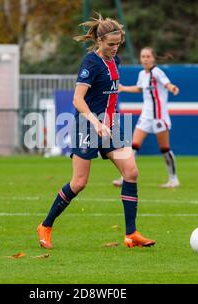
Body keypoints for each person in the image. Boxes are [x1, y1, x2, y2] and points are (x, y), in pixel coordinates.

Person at [36, 14, 155, 249]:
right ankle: (46, 225)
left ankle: (131, 234)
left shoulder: (115, 60)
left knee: (131, 172)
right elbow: (78, 99)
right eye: (110, 44)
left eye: (118, 43)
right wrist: (95, 121)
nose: (114, 48)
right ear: (99, 41)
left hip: (112, 125)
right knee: (79, 182)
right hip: (87, 125)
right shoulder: (90, 63)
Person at [112, 47, 180, 188]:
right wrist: (124, 88)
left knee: (165, 149)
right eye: (143, 56)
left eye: (148, 56)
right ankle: (124, 177)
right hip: (146, 116)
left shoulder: (157, 72)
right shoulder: (142, 74)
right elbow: (140, 88)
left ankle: (173, 179)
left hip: (159, 117)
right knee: (133, 146)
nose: (145, 59)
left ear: (153, 58)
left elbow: (167, 83)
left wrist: (172, 88)